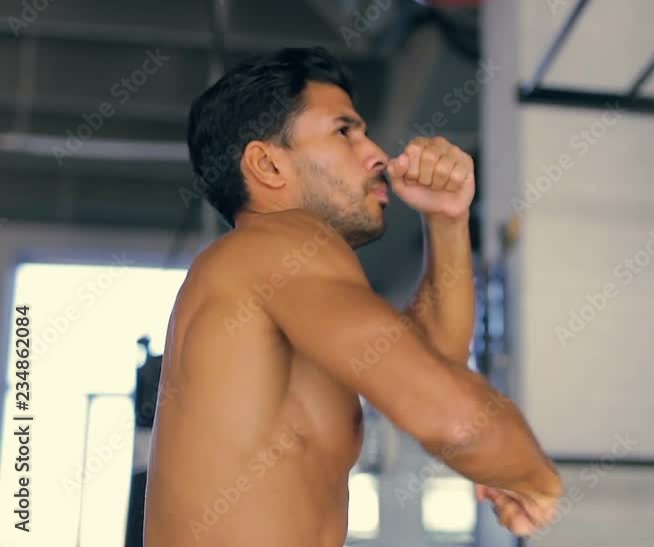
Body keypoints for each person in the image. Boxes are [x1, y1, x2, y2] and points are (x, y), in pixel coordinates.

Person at [144, 47, 563, 547]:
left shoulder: (264, 271)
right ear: (267, 165)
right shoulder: (282, 243)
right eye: (345, 132)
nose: (378, 154)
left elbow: (431, 363)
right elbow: (444, 409)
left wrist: (446, 219)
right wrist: (536, 478)